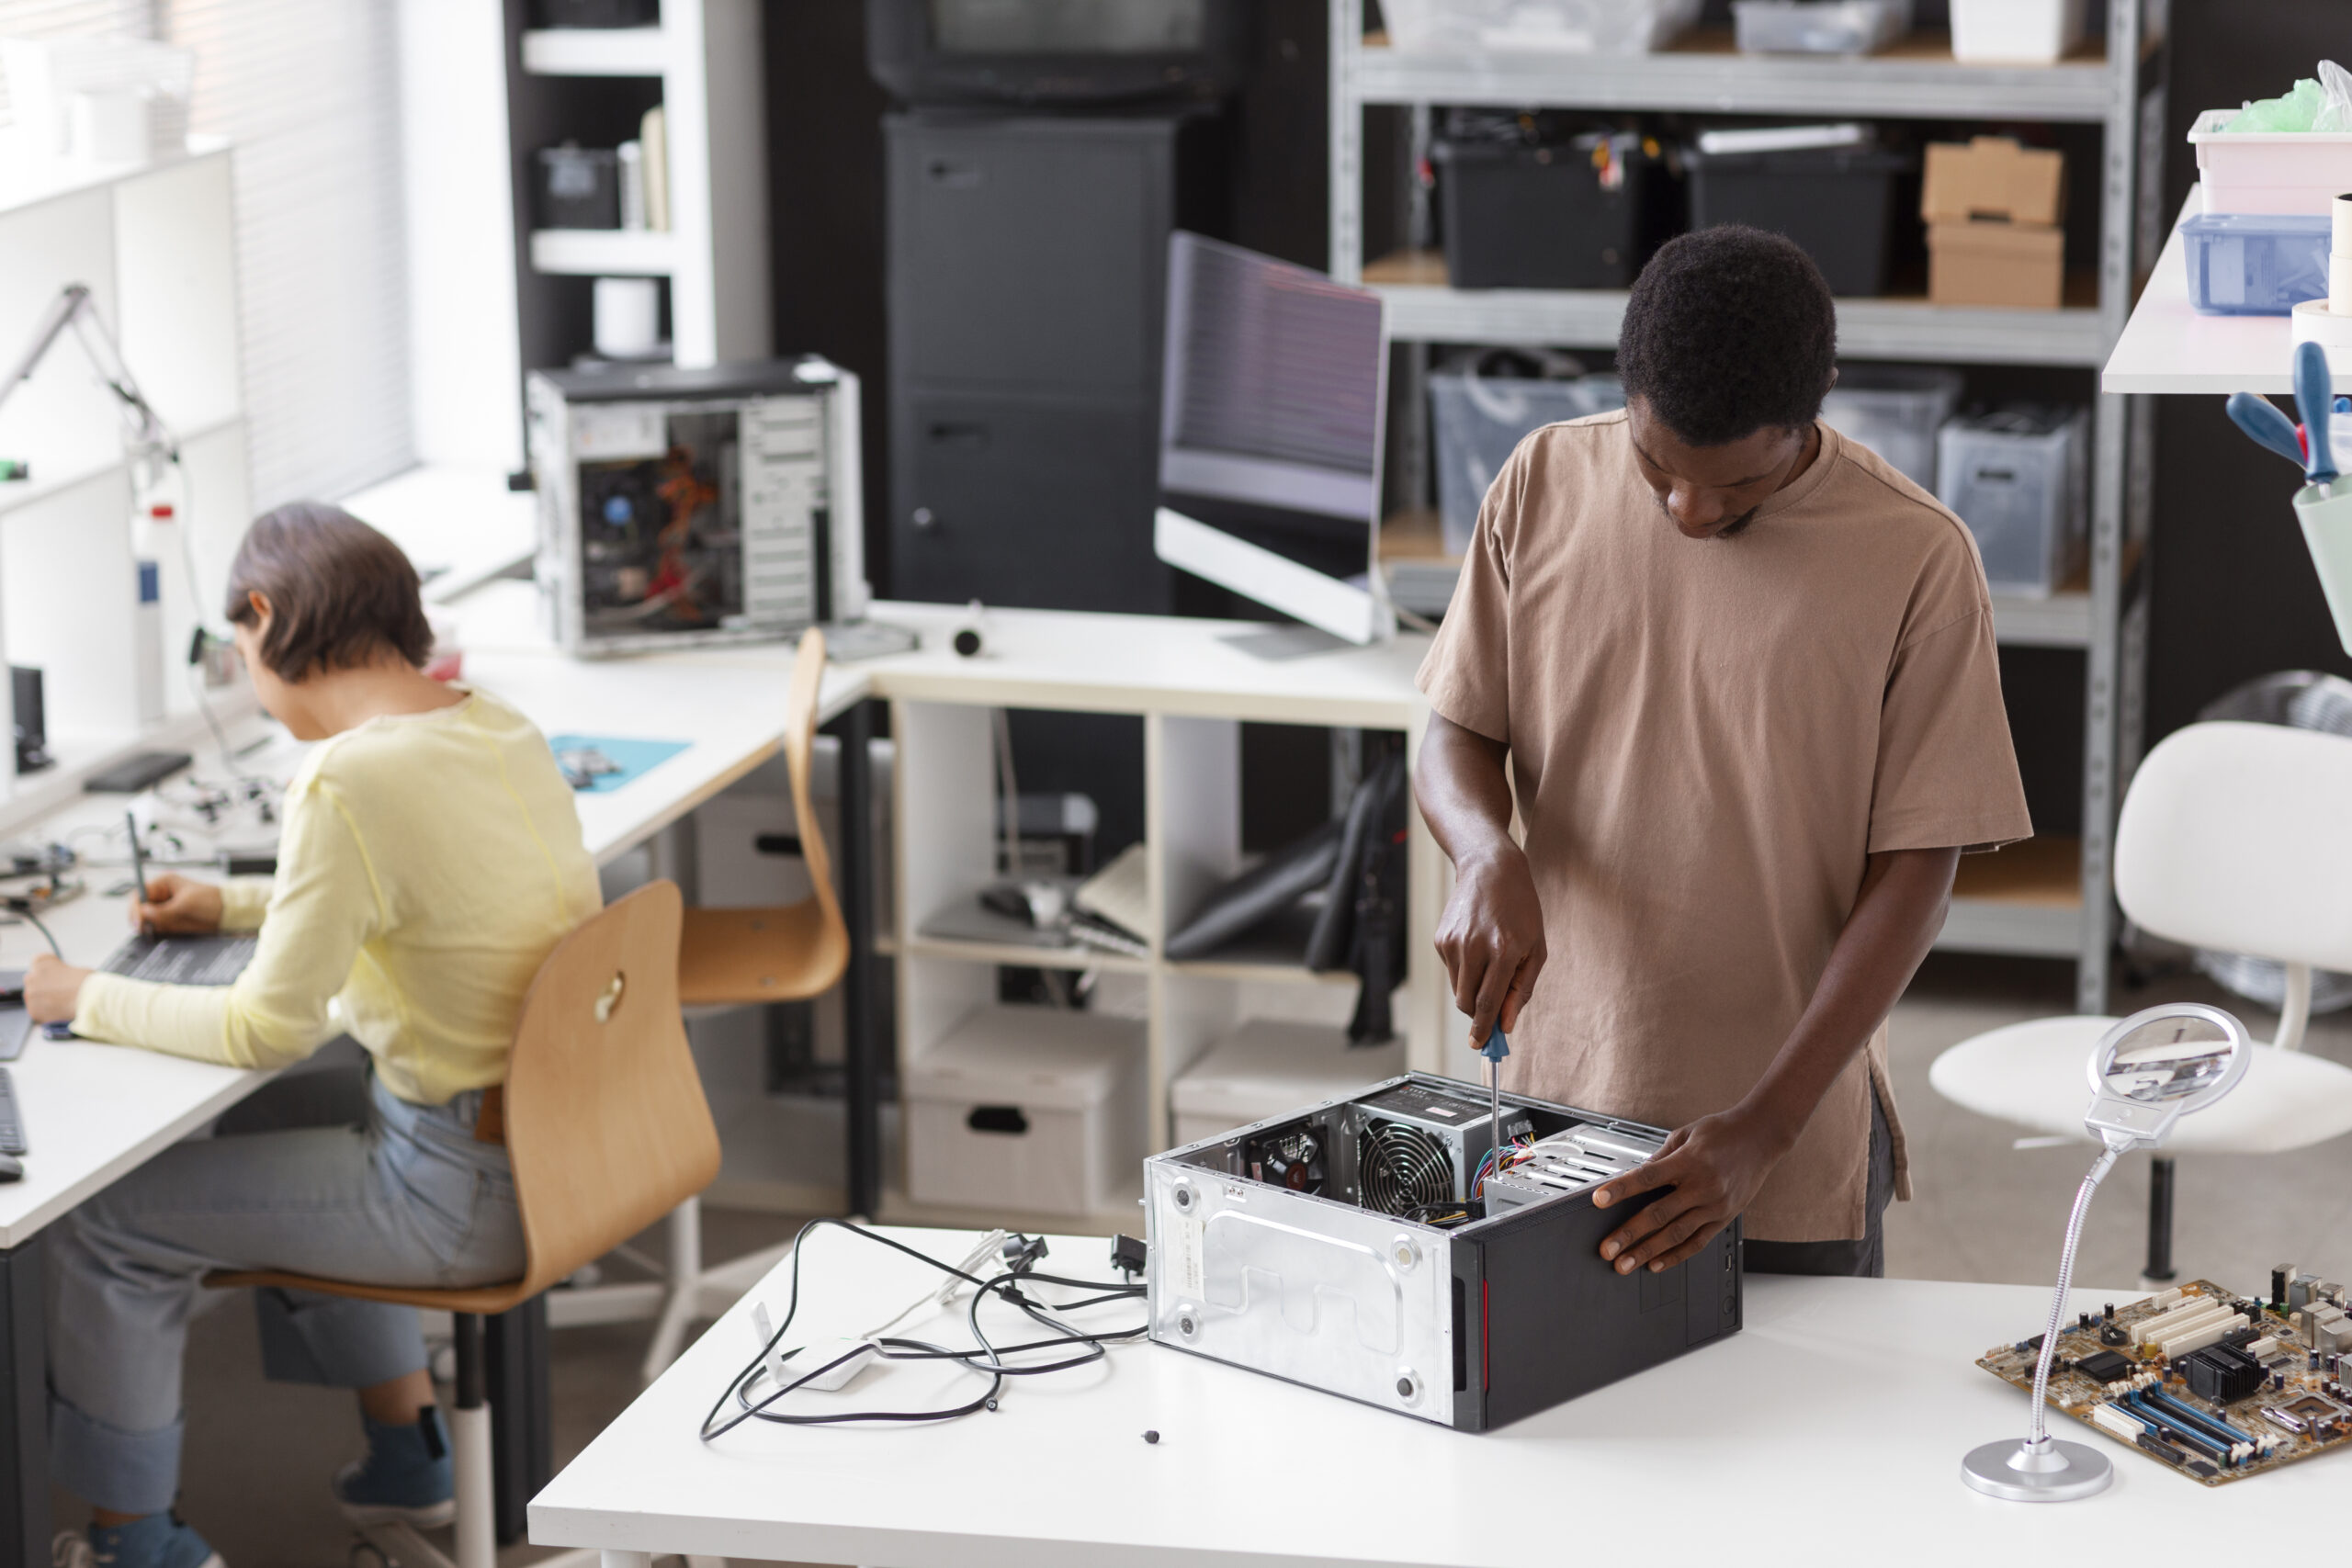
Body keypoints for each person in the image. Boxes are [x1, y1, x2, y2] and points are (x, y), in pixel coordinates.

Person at [1415, 226, 2031, 1282]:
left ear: (1813, 407)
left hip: (1779, 1137)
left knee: (1798, 1393)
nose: (1689, 510)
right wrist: (1482, 851)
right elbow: (1456, 730)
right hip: (1551, 1108)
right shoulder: (1541, 479)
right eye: (1655, 467)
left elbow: (1916, 871)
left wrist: (1764, 1128)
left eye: (1738, 486)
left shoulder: (1916, 557)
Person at [24, 502, 601, 1568]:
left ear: (265, 614)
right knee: (285, 1112)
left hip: (461, 1193)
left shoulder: (346, 778)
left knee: (102, 1226)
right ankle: (409, 1452)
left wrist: (82, 996)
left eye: (240, 650)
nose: (248, 675)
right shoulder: (491, 725)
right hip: (560, 1150)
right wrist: (234, 905)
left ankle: (134, 1543)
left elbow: (263, 1027)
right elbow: (416, 888)